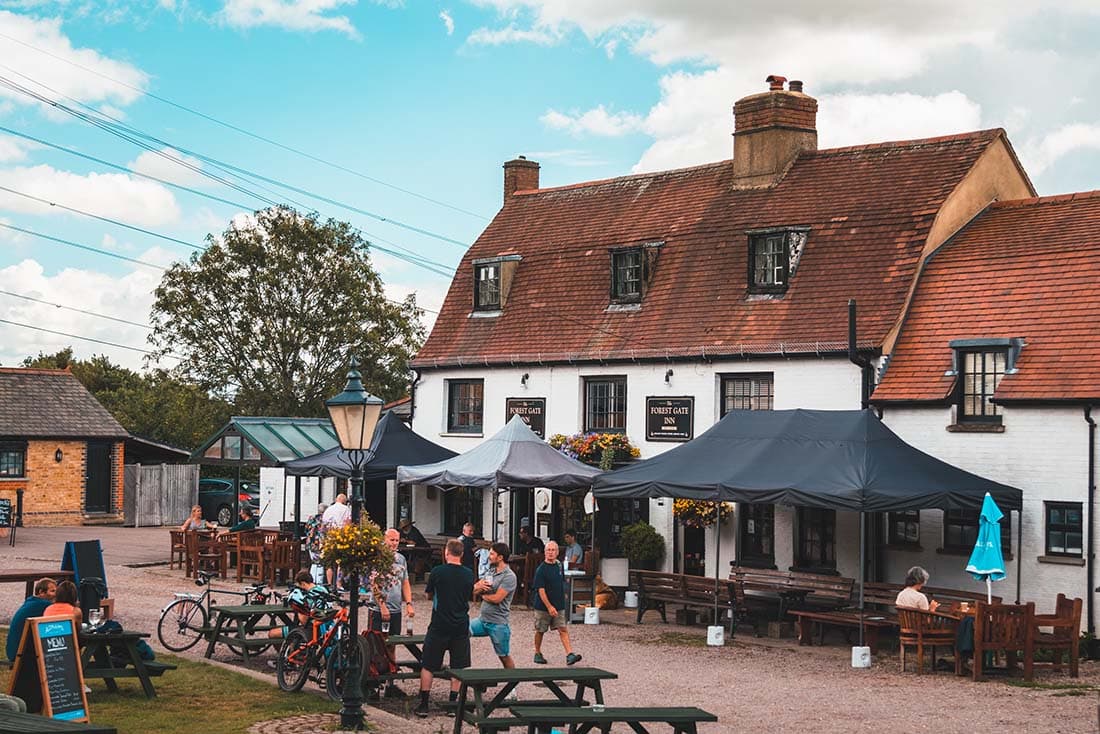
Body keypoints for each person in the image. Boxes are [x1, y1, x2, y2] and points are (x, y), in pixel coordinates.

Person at [416, 539, 474, 719]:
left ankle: (424, 703)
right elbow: (469, 595)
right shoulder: (468, 574)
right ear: (462, 555)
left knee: (428, 664)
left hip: (440, 623)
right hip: (460, 623)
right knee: (458, 665)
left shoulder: (437, 572)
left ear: (446, 553)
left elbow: (429, 594)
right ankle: (452, 704)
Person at [370, 528, 415, 699]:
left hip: (396, 608)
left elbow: (405, 582)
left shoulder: (401, 559)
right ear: (384, 540)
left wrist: (409, 603)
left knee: (392, 645)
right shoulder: (378, 558)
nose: (394, 544)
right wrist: (381, 605)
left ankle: (390, 682)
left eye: (397, 541)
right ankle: (373, 683)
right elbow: (374, 584)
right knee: (376, 644)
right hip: (379, 609)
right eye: (392, 540)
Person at [531, 541, 581, 666]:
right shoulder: (541, 570)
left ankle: (570, 654)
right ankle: (537, 652)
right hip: (542, 606)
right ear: (545, 552)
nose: (551, 552)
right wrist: (549, 606)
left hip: (558, 604)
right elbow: (540, 590)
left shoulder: (559, 566)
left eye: (553, 550)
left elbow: (561, 582)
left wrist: (563, 596)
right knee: (540, 630)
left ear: (557, 552)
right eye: (548, 550)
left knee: (563, 629)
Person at [470, 542, 517, 669]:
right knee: (462, 631)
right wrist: (478, 587)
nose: (489, 556)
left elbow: (497, 598)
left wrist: (483, 596)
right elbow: (474, 589)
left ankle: (512, 685)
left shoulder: (509, 577)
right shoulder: (490, 571)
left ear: (500, 557)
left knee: (504, 656)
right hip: (482, 620)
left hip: (498, 623)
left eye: (491, 554)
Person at [268, 570, 333, 641]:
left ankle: (286, 651)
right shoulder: (323, 589)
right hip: (328, 626)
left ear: (303, 584)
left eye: (299, 586)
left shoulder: (307, 597)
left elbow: (304, 621)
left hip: (314, 630)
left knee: (272, 633)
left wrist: (298, 606)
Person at [7, 577, 55, 661]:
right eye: (52, 591)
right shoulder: (43, 605)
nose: (55, 594)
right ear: (41, 592)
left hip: (12, 650)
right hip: (21, 653)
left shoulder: (31, 602)